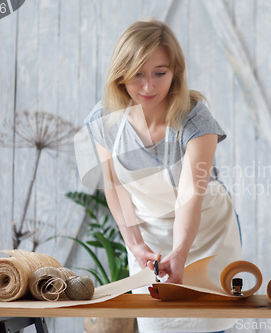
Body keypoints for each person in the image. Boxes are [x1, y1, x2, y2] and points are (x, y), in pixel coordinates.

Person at [85, 18, 242, 333]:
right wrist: (135, 244)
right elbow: (114, 186)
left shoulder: (195, 119)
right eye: (137, 74)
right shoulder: (103, 121)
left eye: (160, 73)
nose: (148, 87)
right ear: (120, 74)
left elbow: (190, 195)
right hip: (149, 236)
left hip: (206, 232)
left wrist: (181, 251)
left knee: (212, 323)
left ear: (175, 73)